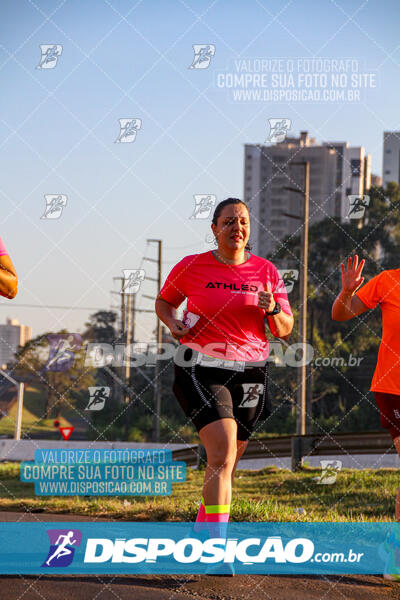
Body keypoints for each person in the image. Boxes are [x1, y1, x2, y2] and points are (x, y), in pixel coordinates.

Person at [155, 198, 293, 553]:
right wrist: (173, 323)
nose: (237, 228)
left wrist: (274, 308)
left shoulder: (265, 271)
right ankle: (216, 549)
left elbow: (284, 329)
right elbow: (165, 302)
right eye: (229, 221)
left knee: (227, 463)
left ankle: (202, 532)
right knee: (222, 452)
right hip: (200, 365)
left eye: (243, 222)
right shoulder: (192, 266)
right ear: (214, 229)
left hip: (251, 372)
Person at [331, 255, 400, 580]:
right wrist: (346, 292)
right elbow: (341, 313)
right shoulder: (389, 281)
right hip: (394, 387)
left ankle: (391, 542)